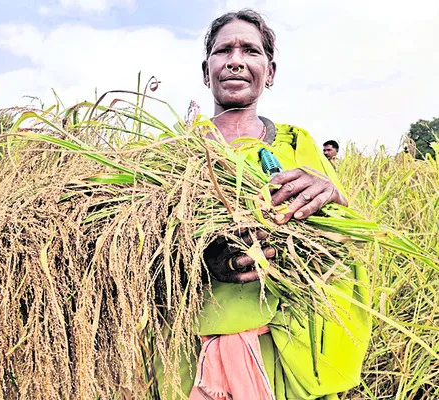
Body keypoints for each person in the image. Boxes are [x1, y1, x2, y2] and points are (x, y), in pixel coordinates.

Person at [155, 9, 370, 399]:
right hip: (189, 360)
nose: (236, 59)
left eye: (250, 50)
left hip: (285, 354)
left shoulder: (297, 147)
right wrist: (198, 258)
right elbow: (127, 262)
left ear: (269, 72)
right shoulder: (170, 155)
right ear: (207, 71)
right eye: (224, 51)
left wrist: (331, 197)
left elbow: (350, 247)